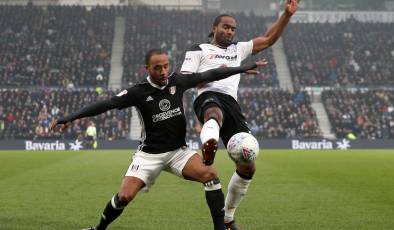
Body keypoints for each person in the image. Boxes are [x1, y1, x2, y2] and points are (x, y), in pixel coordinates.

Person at [50, 49, 267, 230]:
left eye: (165, 66)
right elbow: (105, 104)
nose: (163, 71)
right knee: (124, 196)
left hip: (178, 152)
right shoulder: (138, 92)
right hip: (149, 155)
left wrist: (242, 68)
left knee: (210, 175)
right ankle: (98, 229)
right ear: (147, 69)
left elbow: (209, 75)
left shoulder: (177, 81)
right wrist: (70, 117)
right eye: (157, 68)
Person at [180, 1, 299, 229]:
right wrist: (215, 74)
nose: (230, 31)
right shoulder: (199, 50)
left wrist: (286, 14)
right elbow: (184, 80)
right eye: (225, 27)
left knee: (248, 165)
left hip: (231, 104)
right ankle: (209, 144)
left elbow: (269, 39)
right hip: (207, 96)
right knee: (214, 113)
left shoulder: (238, 49)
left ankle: (228, 217)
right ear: (214, 28)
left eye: (233, 29)